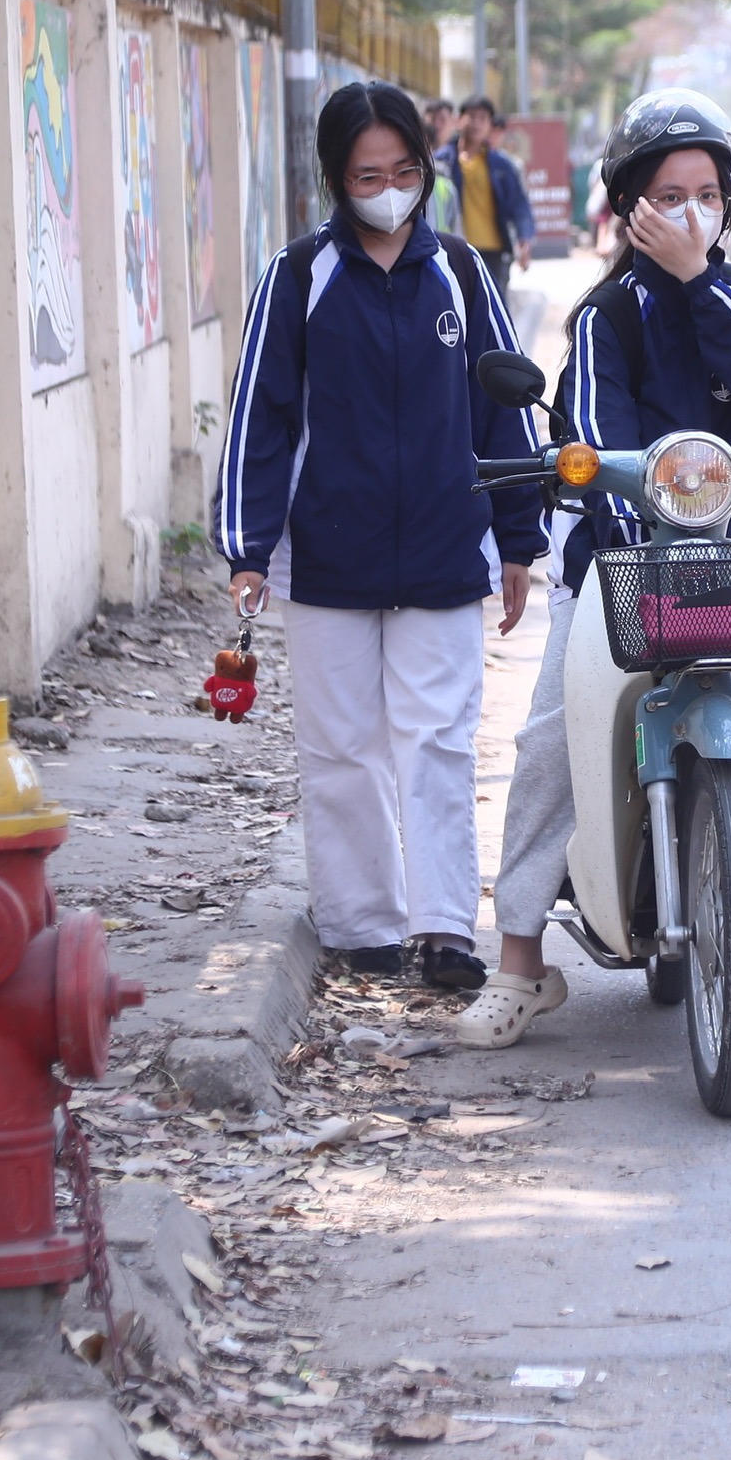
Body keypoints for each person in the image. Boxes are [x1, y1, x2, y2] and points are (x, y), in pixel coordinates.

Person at [456, 87, 731, 1053]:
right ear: (631, 208)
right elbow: (591, 434)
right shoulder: (602, 318)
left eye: (708, 192)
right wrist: (635, 530)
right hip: (623, 566)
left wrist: (700, 277)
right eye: (669, 194)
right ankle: (520, 962)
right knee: (547, 741)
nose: (691, 210)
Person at [215, 81, 548, 990]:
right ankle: (362, 920)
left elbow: (503, 408)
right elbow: (261, 416)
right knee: (341, 744)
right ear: (334, 179)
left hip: (446, 546)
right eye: (369, 174)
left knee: (440, 738)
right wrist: (247, 545)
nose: (390, 189)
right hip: (327, 553)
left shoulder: (465, 274)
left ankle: (445, 926)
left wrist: (519, 540)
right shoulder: (297, 277)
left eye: (406, 170)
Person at [439, 95, 535, 296]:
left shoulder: (502, 165)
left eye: (483, 119)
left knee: (493, 309)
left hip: (494, 251)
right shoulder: (442, 162)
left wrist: (524, 239)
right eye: (472, 116)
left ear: (490, 125)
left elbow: (519, 204)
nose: (476, 123)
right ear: (460, 120)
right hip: (455, 249)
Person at [422, 97, 463, 234]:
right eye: (433, 120)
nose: (437, 125)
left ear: (454, 121)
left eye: (442, 120)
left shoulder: (461, 158)